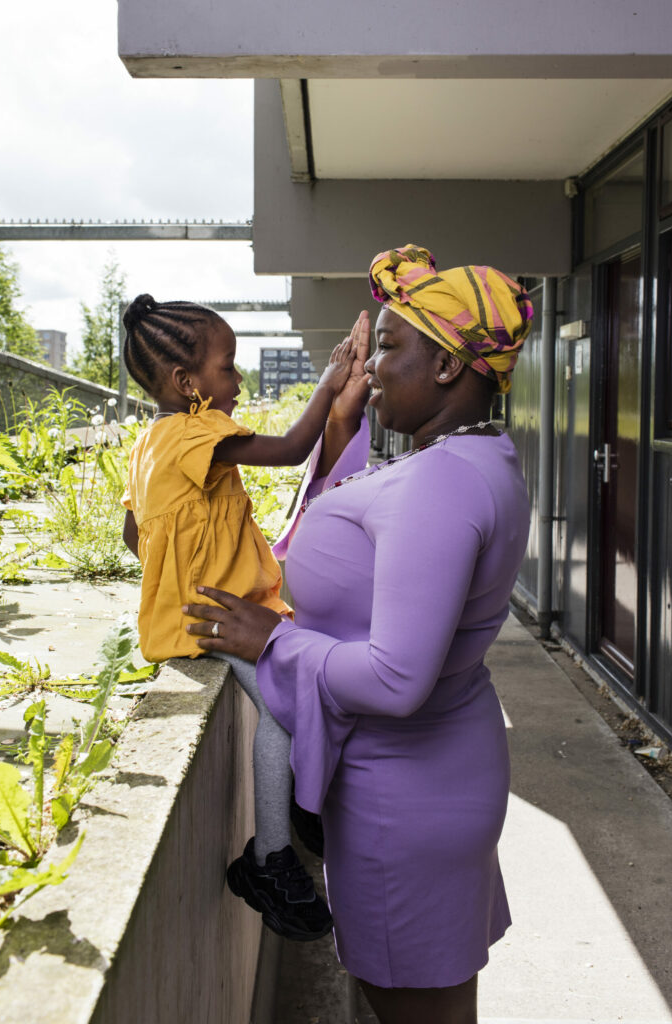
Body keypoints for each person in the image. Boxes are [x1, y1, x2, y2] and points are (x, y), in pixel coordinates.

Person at [182, 246, 533, 1024]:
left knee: (413, 1004)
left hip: (402, 798)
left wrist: (271, 641)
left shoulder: (442, 482)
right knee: (433, 1000)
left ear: (446, 366)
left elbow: (396, 679)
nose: (369, 364)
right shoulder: (472, 459)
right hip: (430, 778)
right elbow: (377, 548)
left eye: (388, 347)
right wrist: (339, 420)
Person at [120, 293, 361, 942]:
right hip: (213, 620)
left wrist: (180, 569)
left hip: (195, 614)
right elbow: (289, 449)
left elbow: (131, 534)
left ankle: (300, 814)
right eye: (228, 367)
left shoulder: (150, 442)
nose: (238, 381)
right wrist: (328, 385)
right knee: (287, 704)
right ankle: (269, 859)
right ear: (186, 383)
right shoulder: (200, 432)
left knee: (302, 681)